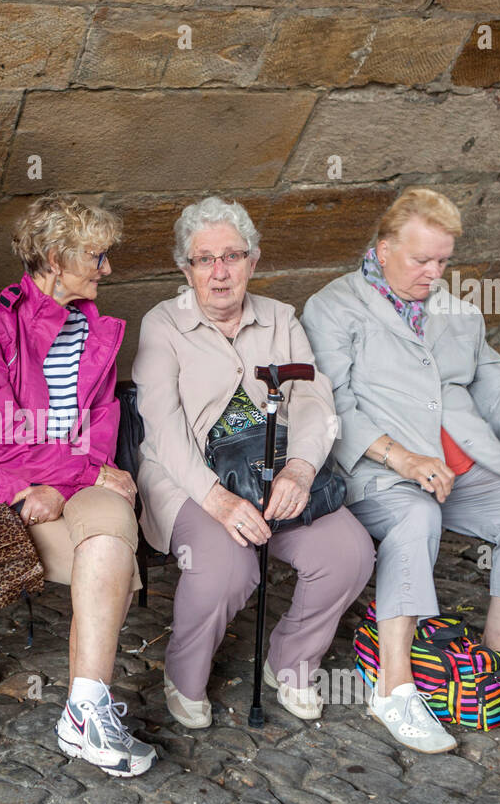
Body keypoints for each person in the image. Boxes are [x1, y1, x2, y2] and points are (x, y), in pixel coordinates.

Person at [301, 187, 500, 755]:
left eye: (443, 260)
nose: (433, 272)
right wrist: (399, 455)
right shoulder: (334, 306)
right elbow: (329, 403)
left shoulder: (456, 311)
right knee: (415, 519)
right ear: (384, 247)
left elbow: (493, 379)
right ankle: (393, 687)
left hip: (459, 466)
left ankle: (499, 661)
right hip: (377, 469)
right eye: (421, 259)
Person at [133, 197, 374, 728]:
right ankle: (185, 671)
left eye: (232, 257)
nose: (220, 273)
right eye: (204, 259)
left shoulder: (281, 319)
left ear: (254, 261)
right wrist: (216, 499)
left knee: (349, 553)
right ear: (185, 268)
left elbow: (312, 399)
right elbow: (163, 426)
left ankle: (291, 661)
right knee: (224, 567)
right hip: (191, 476)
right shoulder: (162, 325)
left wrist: (303, 469)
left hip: (273, 467)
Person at [0, 195, 156, 777]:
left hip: (62, 484)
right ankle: (86, 714)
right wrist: (84, 475)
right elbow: (1, 437)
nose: (107, 268)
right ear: (55, 257)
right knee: (107, 535)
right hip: (4, 491)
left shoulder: (94, 329)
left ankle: (85, 710)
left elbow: (103, 421)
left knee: (114, 523)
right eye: (97, 255)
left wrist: (71, 485)